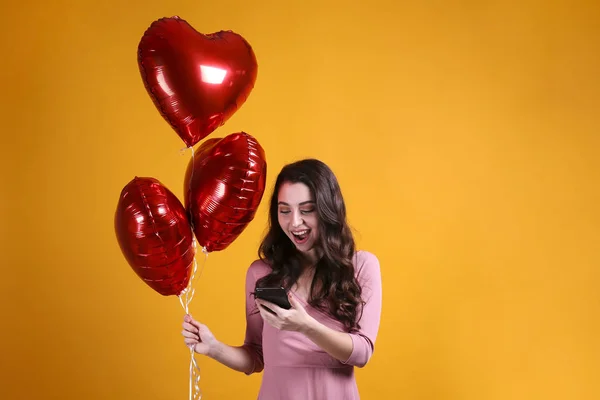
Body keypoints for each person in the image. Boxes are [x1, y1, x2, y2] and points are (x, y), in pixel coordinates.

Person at [182, 159, 382, 400]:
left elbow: (362, 353)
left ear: (328, 210)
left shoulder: (361, 266)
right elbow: (256, 356)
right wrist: (214, 347)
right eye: (284, 210)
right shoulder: (261, 274)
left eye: (307, 209)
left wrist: (304, 325)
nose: (294, 222)